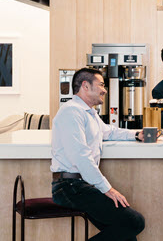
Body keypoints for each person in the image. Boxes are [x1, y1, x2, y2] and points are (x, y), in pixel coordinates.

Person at [51, 68, 145, 241]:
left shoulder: (89, 113)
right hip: (69, 187)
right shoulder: (71, 112)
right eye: (101, 84)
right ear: (85, 86)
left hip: (81, 185)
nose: (105, 90)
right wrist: (107, 189)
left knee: (127, 234)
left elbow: (109, 132)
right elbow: (81, 157)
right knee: (135, 222)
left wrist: (137, 134)